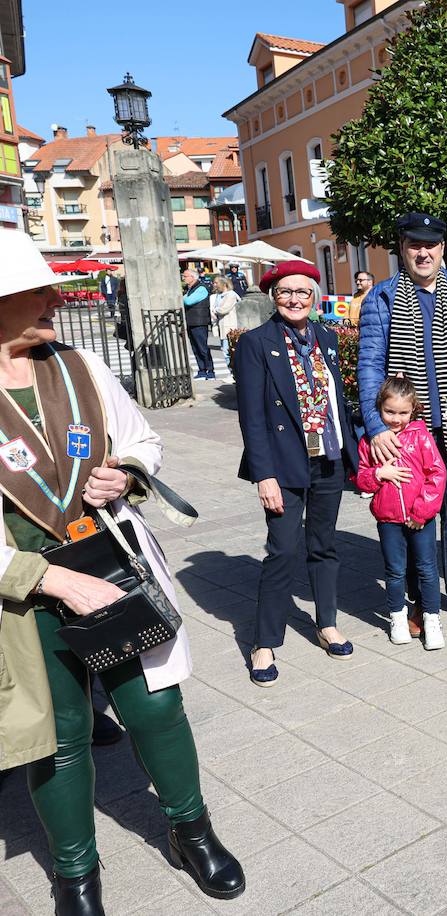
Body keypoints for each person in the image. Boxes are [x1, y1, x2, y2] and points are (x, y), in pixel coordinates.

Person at [0, 230, 245, 913]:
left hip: (112, 568)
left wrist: (127, 473)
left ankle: (191, 831)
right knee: (59, 737)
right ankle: (76, 874)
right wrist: (49, 580)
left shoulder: (78, 365)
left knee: (155, 706)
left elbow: (142, 438)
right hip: (23, 596)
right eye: (38, 292)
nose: (57, 300)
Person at [357, 213, 447, 627]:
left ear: (442, 248)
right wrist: (376, 426)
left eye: (430, 245)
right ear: (402, 249)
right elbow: (369, 366)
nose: (423, 252)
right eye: (414, 244)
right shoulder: (382, 298)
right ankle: (419, 600)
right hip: (408, 428)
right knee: (411, 515)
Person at [233, 260, 360, 686]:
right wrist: (263, 475)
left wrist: (353, 452)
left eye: (302, 292)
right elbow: (252, 417)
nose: (294, 299)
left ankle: (327, 623)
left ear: (314, 297)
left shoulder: (326, 337)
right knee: (283, 550)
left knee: (324, 546)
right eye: (286, 292)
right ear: (274, 296)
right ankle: (264, 642)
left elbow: (336, 400)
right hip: (283, 466)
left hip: (328, 458)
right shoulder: (256, 343)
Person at [355, 375, 447, 648]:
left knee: (427, 569)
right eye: (389, 412)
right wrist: (378, 473)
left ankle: (432, 619)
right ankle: (397, 617)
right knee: (394, 571)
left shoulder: (421, 436)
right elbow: (360, 478)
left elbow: (437, 474)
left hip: (420, 519)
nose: (396, 419)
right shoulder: (370, 441)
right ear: (379, 408)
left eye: (403, 413)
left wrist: (421, 512)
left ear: (413, 410)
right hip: (388, 518)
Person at [181, 267, 215, 380]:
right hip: (191, 322)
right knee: (195, 348)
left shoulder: (201, 288)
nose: (183, 278)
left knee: (202, 348)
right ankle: (202, 370)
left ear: (193, 277)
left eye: (185, 276)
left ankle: (210, 370)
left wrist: (182, 297)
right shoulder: (190, 289)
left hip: (199, 322)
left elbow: (188, 301)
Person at [211, 275, 243, 378]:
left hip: (229, 326)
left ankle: (233, 372)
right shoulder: (218, 295)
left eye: (216, 283)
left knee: (228, 351)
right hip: (221, 326)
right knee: (225, 350)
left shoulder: (231, 295)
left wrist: (215, 310)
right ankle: (231, 372)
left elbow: (223, 309)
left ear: (223, 284)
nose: (214, 285)